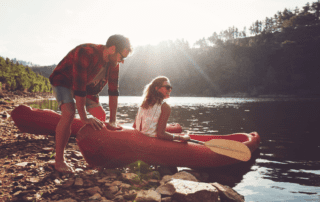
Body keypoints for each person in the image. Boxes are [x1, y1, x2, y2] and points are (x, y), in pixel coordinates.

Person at [49, 34, 132, 173]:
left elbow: (113, 92)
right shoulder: (86, 52)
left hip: (86, 88)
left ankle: (95, 159)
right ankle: (59, 161)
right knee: (69, 113)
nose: (122, 61)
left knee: (100, 115)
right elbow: (79, 87)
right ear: (112, 49)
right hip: (63, 80)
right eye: (122, 57)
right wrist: (84, 116)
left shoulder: (114, 64)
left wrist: (113, 120)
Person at [133, 76, 190, 141]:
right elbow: (161, 134)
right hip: (152, 142)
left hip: (139, 139)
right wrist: (180, 138)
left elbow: (135, 126)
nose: (170, 90)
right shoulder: (165, 107)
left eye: (170, 88)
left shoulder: (143, 104)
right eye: (167, 88)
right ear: (157, 88)